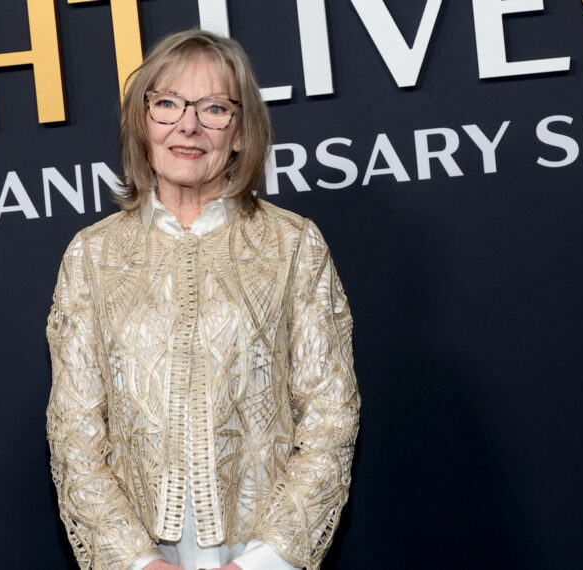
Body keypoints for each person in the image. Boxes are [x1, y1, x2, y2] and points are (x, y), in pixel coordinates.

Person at [46, 29, 359, 570]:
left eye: (213, 108)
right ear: (143, 122)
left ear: (240, 132)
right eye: (168, 104)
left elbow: (331, 418)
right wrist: (139, 563)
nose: (187, 125)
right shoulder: (91, 256)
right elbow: (75, 435)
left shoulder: (293, 245)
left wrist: (262, 562)